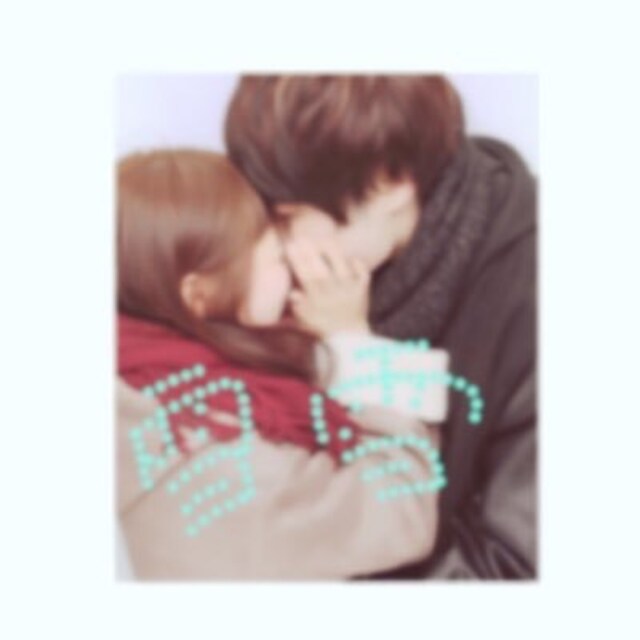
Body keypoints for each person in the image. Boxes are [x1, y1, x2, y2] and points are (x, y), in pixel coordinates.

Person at [225, 75, 537, 579]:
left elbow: (511, 566)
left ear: (390, 183)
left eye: (289, 218)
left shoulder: (531, 294)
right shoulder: (336, 272)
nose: (277, 244)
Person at [116, 149, 450, 580]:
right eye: (274, 255)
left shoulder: (141, 372)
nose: (293, 257)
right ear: (198, 295)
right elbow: (400, 510)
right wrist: (353, 339)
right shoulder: (213, 463)